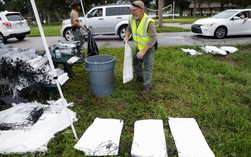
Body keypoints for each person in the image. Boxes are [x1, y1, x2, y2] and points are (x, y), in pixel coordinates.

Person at [124, 0, 157, 94]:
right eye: (132, 10)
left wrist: (143, 51)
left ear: (141, 11)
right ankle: (140, 77)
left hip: (148, 48)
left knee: (147, 67)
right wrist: (126, 37)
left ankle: (147, 86)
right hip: (139, 47)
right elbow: (129, 28)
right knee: (136, 62)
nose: (132, 12)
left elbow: (153, 38)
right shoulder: (132, 18)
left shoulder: (149, 22)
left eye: (134, 10)